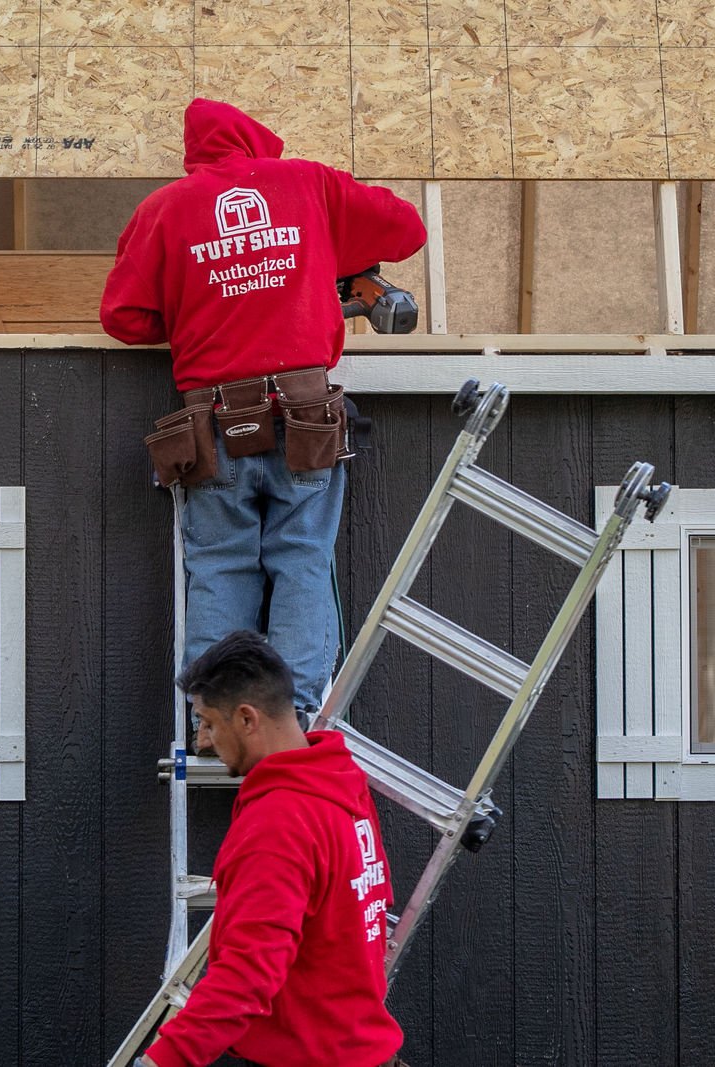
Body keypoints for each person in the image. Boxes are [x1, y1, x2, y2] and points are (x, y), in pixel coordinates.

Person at [101, 97, 427, 720]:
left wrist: (197, 304)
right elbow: (407, 229)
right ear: (256, 141)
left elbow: (123, 317)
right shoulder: (307, 183)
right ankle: (294, 718)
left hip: (211, 424)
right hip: (301, 414)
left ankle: (219, 720)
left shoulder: (162, 211)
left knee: (222, 565)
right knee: (301, 556)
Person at [137, 630, 405, 1067]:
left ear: (246, 719)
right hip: (361, 1051)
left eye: (208, 722)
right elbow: (373, 904)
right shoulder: (340, 782)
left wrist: (162, 1061)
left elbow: (245, 976)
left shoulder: (279, 822)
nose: (203, 740)